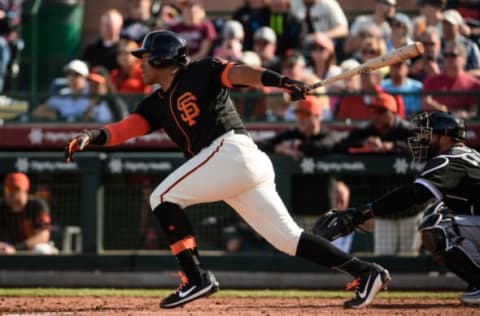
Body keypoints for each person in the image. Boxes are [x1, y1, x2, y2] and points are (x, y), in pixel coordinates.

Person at [64, 30, 390, 309]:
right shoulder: (155, 102)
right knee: (288, 240)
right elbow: (125, 129)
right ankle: (365, 271)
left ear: (163, 59)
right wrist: (90, 137)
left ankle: (197, 278)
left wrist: (280, 81)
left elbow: (241, 74)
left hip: (230, 150)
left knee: (162, 197)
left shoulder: (201, 70)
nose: (141, 62)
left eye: (146, 56)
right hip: (237, 165)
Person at [312, 110, 480, 305]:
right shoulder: (471, 155)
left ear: (445, 136)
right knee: (439, 212)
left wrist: (364, 212)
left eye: (429, 134)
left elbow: (414, 194)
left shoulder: (450, 159)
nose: (423, 139)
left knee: (438, 227)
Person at [259, 95, 344, 160]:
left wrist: (296, 145)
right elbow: (260, 144)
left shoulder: (329, 134)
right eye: (298, 114)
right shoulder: (292, 133)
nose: (301, 118)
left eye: (305, 114)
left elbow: (322, 147)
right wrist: (280, 149)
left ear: (317, 116)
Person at [336, 92, 413, 155]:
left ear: (393, 113)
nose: (376, 116)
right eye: (373, 111)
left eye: (381, 111)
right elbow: (342, 146)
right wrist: (363, 143)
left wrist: (394, 146)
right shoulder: (366, 130)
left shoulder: (407, 129)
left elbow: (422, 147)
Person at [0, 173, 58, 255]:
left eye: (15, 189)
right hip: (6, 248)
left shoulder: (37, 205)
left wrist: (16, 248)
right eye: (8, 189)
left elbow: (43, 236)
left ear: (24, 190)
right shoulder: (2, 206)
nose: (10, 193)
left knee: (41, 250)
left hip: (31, 248)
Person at [422, 40, 480, 119]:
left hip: (465, 128)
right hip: (437, 127)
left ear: (464, 59)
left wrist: (466, 115)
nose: (448, 58)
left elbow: (475, 112)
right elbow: (426, 103)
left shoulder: (474, 84)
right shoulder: (431, 80)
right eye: (446, 55)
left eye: (453, 55)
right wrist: (449, 112)